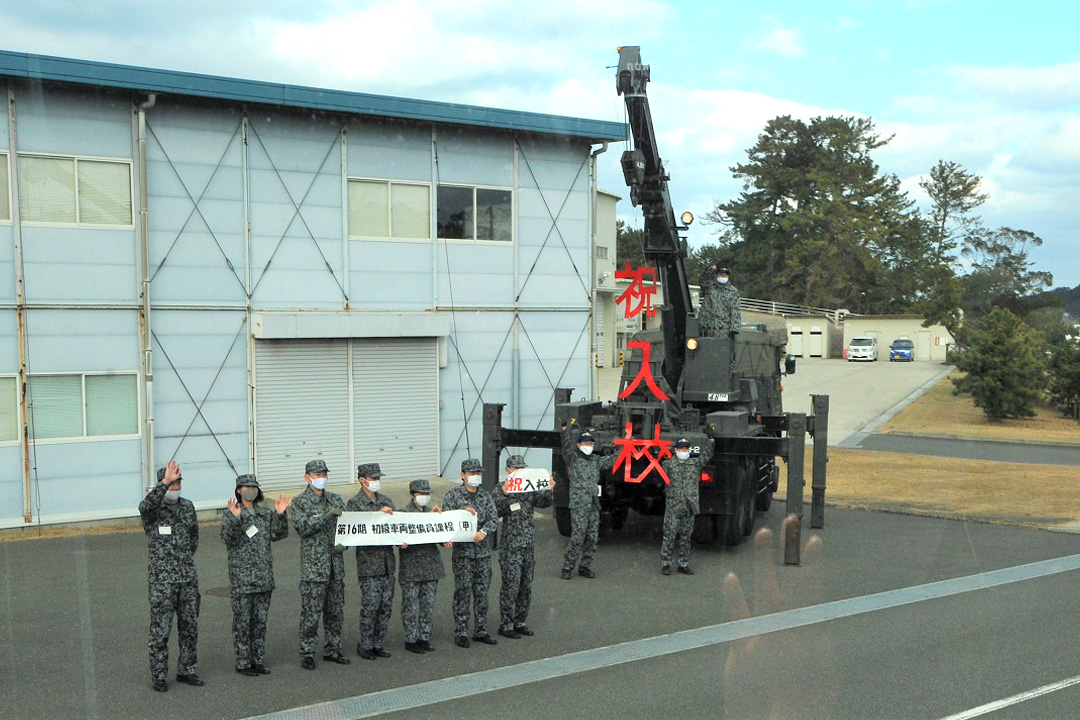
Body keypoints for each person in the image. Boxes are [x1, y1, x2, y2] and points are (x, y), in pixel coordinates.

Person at [139, 459, 204, 692]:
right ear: (162, 485)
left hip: (186, 577)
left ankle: (187, 669)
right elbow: (143, 507)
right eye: (171, 484)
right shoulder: (154, 511)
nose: (175, 488)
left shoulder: (188, 507)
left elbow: (194, 537)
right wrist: (164, 481)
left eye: (178, 484)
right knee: (160, 629)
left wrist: (183, 559)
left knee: (189, 627)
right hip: (162, 581)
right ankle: (158, 674)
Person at [220, 474, 290, 676]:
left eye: (254, 486)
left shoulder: (264, 514)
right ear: (239, 490)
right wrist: (235, 519)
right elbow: (228, 538)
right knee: (242, 623)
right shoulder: (233, 513)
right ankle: (243, 662)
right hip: (242, 578)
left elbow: (278, 534)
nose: (251, 489)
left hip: (263, 577)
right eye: (247, 486)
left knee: (259, 623)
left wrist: (279, 514)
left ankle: (258, 659)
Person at [290, 459, 350, 669]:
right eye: (317, 475)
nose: (321, 478)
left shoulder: (335, 499)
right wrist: (326, 516)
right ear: (307, 477)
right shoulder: (300, 502)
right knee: (311, 613)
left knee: (335, 611)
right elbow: (303, 528)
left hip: (335, 566)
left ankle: (333, 649)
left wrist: (346, 544)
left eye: (324, 474)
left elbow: (347, 528)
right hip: (314, 568)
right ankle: (307, 651)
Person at [493, 454, 553, 638]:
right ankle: (506, 624)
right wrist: (505, 494)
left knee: (526, 586)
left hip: (528, 544)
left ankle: (520, 621)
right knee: (511, 586)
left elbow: (544, 503)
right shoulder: (502, 487)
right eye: (516, 468)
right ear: (508, 470)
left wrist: (549, 488)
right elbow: (495, 510)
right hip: (511, 545)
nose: (519, 472)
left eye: (522, 468)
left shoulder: (529, 486)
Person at [442, 458, 498, 648]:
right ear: (463, 475)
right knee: (463, 592)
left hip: (482, 553)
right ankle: (461, 631)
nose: (475, 477)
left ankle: (481, 630)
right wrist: (461, 512)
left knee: (482, 592)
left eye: (478, 474)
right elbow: (444, 521)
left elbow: (493, 517)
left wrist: (484, 531)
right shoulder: (453, 496)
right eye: (472, 473)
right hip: (463, 554)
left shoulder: (485, 496)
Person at [347, 462, 396, 660]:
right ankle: (365, 644)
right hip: (369, 564)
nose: (377, 482)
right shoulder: (354, 504)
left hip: (387, 562)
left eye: (378, 478)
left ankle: (378, 643)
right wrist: (377, 516)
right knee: (370, 606)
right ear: (362, 480)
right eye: (373, 479)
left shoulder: (386, 500)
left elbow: (398, 525)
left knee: (385, 606)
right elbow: (354, 531)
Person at [559, 427, 617, 580]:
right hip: (579, 505)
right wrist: (565, 431)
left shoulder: (595, 461)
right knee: (577, 537)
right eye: (585, 443)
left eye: (590, 443)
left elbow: (611, 461)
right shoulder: (573, 460)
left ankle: (585, 566)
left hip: (593, 504)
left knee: (592, 538)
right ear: (578, 445)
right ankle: (567, 566)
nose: (588, 446)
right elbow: (565, 448)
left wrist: (622, 449)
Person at [398, 479, 445, 654]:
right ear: (412, 495)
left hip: (430, 566)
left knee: (428, 605)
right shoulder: (402, 513)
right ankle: (410, 639)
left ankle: (424, 637)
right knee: (410, 606)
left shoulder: (433, 513)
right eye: (421, 494)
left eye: (427, 494)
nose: (424, 497)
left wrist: (442, 524)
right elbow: (394, 537)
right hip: (411, 567)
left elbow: (442, 536)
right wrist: (400, 543)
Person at [659, 437, 715, 575]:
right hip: (673, 506)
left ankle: (683, 564)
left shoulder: (694, 464)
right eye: (681, 449)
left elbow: (708, 455)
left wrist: (711, 441)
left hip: (689, 507)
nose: (684, 451)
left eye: (686, 449)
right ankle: (666, 564)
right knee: (669, 536)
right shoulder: (668, 465)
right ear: (676, 450)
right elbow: (656, 467)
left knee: (685, 537)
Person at [697, 261, 742, 336]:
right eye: (721, 274)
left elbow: (735, 310)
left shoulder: (733, 291)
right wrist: (712, 268)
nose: (723, 277)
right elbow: (703, 279)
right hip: (706, 329)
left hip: (722, 330)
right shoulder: (710, 287)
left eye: (725, 275)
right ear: (716, 275)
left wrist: (734, 330)